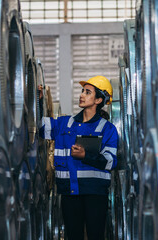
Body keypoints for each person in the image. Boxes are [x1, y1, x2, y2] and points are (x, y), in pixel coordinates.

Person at [39, 76, 118, 240]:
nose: (82, 94)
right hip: (69, 193)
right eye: (82, 91)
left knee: (96, 236)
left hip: (95, 194)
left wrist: (85, 156)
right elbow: (39, 128)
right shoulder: (64, 123)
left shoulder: (107, 129)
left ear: (98, 99)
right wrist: (38, 101)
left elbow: (110, 161)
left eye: (88, 92)